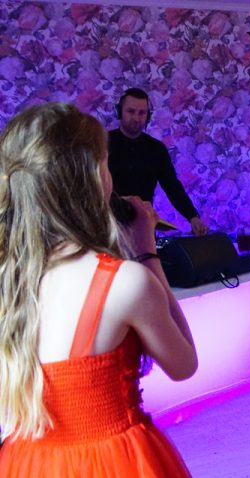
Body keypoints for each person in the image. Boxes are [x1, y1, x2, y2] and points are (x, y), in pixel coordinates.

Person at [0, 103, 197, 475]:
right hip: (114, 462)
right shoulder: (125, 281)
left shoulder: (9, 280)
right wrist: (146, 252)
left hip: (27, 463)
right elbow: (184, 364)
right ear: (95, 179)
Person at [108, 88, 208, 236]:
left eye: (142, 113)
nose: (136, 118)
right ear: (119, 112)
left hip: (142, 229)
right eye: (131, 111)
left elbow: (172, 186)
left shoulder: (156, 149)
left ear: (148, 116)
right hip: (107, 226)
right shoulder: (102, 143)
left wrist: (192, 216)